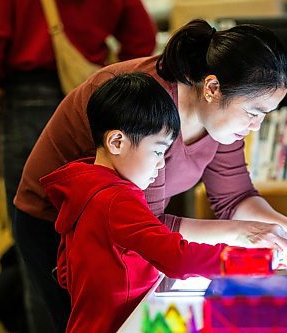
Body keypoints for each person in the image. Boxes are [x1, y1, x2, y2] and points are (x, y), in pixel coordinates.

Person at [14, 19, 287, 331]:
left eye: (265, 116)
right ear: (212, 88)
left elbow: (234, 197)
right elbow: (150, 230)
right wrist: (246, 246)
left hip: (127, 242)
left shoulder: (222, 117)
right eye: (254, 113)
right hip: (56, 225)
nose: (256, 127)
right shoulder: (142, 104)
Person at [0, 0, 156, 331]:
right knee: (98, 238)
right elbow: (141, 38)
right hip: (95, 105)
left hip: (28, 105)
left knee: (38, 239)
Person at [40, 72, 229, 332]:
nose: (161, 163)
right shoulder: (116, 198)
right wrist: (243, 261)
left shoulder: (84, 189)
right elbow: (175, 257)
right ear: (117, 142)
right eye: (158, 151)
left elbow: (65, 272)